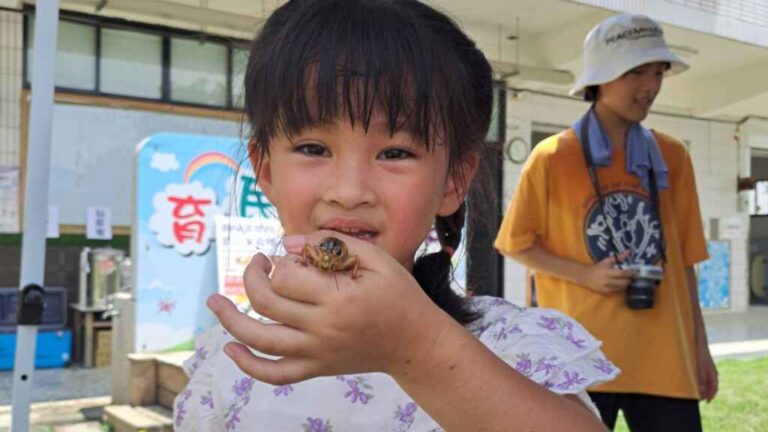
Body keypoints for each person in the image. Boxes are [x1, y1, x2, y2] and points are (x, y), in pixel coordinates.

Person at [173, 1, 618, 430]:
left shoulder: (507, 347)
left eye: (395, 152)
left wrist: (416, 347)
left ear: (452, 182)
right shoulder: (231, 363)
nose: (349, 192)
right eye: (313, 148)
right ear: (265, 170)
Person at [495, 14, 718, 432]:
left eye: (658, 72)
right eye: (636, 71)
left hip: (664, 361)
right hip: (579, 358)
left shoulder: (673, 156)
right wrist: (586, 275)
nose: (650, 85)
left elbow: (685, 263)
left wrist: (700, 350)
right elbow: (515, 243)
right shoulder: (552, 156)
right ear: (602, 75)